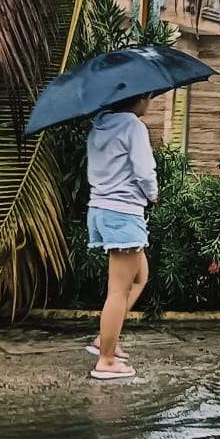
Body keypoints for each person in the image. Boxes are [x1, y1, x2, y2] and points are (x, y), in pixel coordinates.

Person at [86, 92, 157, 381]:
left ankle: (105, 338)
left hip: (101, 209)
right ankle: (106, 360)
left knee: (140, 278)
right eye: (149, 97)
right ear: (137, 99)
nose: (149, 103)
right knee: (118, 290)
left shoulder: (99, 125)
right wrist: (153, 193)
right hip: (123, 212)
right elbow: (143, 170)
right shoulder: (132, 126)